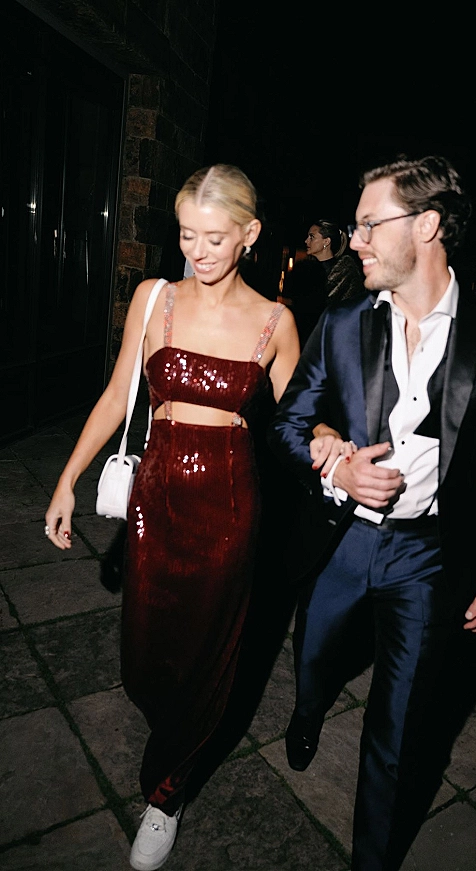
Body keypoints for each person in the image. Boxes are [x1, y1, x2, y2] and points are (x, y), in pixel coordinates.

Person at [269, 154, 476, 871]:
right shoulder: (340, 322)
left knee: (398, 731)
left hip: (429, 557)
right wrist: (336, 464)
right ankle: (306, 711)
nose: (354, 240)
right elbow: (285, 425)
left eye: (368, 225)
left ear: (426, 225)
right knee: (314, 661)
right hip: (342, 543)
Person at [44, 163, 301, 871]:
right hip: (155, 503)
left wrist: (335, 447)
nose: (199, 251)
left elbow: (300, 422)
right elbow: (115, 395)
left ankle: (166, 793)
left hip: (229, 507)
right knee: (146, 655)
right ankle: (173, 737)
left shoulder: (276, 322)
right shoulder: (154, 298)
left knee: (204, 655)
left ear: (249, 234)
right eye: (187, 235)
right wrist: (67, 480)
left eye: (215, 237)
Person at [304, 218, 365, 303]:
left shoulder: (345, 274)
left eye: (312, 237)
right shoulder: (306, 270)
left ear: (326, 241)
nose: (306, 241)